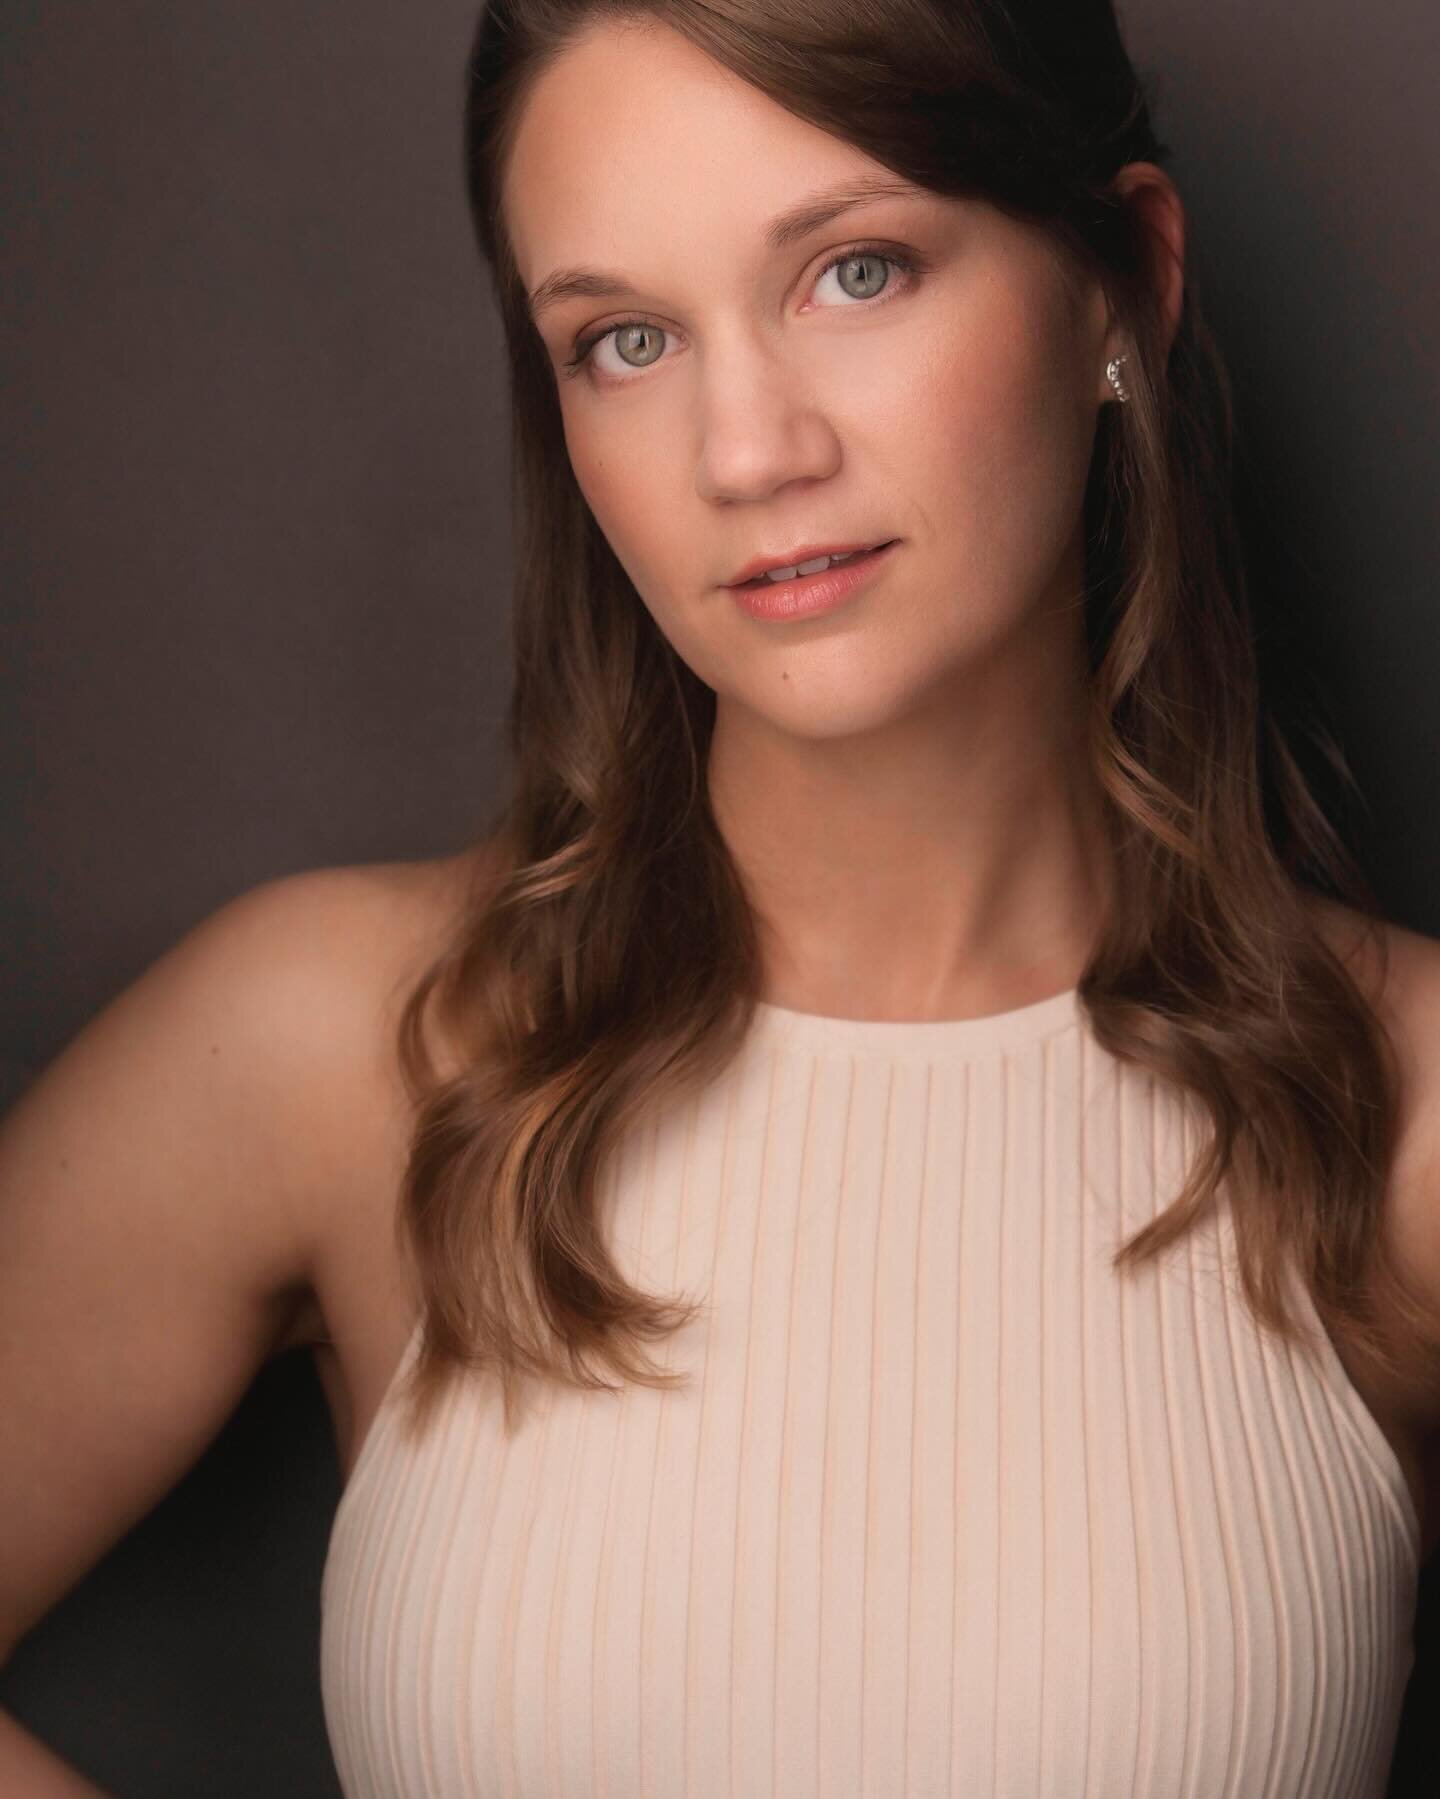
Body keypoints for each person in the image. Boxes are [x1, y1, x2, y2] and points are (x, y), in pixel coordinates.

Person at [3, 0, 1439, 1793]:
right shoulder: (347, 1051)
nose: (745, 452)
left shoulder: (1399, 1101)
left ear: (1123, 287)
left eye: (854, 274)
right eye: (623, 339)